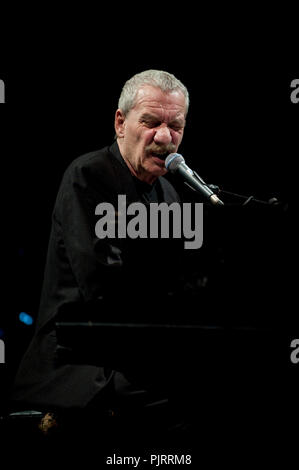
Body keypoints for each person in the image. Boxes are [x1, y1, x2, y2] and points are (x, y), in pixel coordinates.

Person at [10, 70, 193, 449]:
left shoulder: (171, 196)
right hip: (79, 363)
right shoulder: (87, 176)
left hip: (136, 358)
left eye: (175, 126)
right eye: (151, 122)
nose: (164, 137)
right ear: (120, 123)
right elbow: (103, 288)